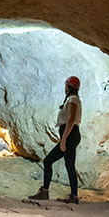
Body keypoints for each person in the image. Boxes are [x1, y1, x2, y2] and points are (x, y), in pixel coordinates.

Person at [29, 76, 82, 204]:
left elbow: (71, 119)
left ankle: (49, 192)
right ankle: (53, 193)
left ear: (68, 87)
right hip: (71, 135)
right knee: (64, 164)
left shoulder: (73, 99)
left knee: (51, 161)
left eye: (66, 86)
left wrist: (63, 140)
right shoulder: (71, 99)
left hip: (70, 135)